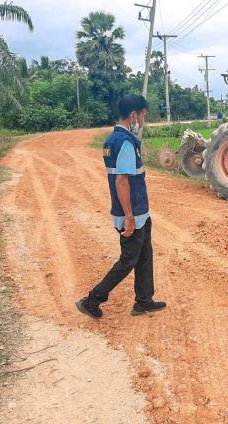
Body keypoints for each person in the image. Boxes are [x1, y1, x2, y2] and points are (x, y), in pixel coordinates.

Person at [75, 95, 166, 319]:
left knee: (145, 255)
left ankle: (144, 301)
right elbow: (122, 181)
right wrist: (129, 217)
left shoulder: (112, 140)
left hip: (139, 212)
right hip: (132, 213)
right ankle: (92, 300)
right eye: (143, 115)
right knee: (128, 260)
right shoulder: (125, 142)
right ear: (134, 115)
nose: (144, 119)